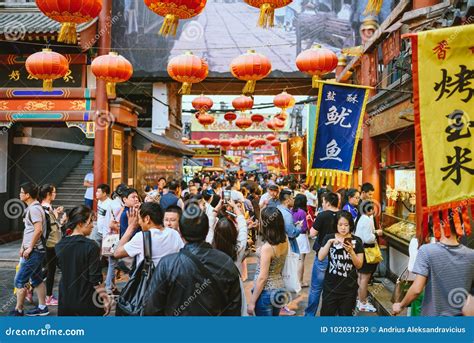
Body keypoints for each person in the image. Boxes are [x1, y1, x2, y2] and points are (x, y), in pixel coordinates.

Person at [143, 207, 241, 316]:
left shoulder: (167, 264)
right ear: (207, 230)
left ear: (180, 231)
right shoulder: (226, 261)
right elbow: (234, 308)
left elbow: (151, 308)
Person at [392, 212, 474, 316]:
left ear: (439, 225)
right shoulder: (471, 255)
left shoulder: (426, 251)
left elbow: (417, 289)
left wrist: (400, 305)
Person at [55, 206, 111, 316]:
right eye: (90, 221)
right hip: (87, 302)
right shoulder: (91, 246)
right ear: (80, 223)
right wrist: (105, 299)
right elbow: (95, 280)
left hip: (65, 300)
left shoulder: (59, 245)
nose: (92, 225)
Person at [10, 182, 49, 316]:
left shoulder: (34, 209)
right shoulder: (32, 208)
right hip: (32, 250)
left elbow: (37, 230)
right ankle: (43, 307)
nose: (19, 194)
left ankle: (18, 310)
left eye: (21, 192)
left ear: (27, 195)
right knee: (37, 279)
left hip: (34, 251)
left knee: (20, 280)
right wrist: (23, 246)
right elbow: (28, 230)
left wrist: (30, 248)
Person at [319, 211, 364, 316]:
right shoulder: (329, 237)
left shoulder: (357, 241)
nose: (343, 228)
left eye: (346, 225)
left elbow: (359, 265)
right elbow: (320, 257)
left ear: (350, 225)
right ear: (336, 225)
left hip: (349, 289)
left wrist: (351, 251)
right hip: (330, 288)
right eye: (340, 225)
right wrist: (329, 242)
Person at [114, 202, 184, 267]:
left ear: (147, 219)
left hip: (152, 279)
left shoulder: (141, 237)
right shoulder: (174, 233)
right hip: (171, 277)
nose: (139, 222)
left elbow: (117, 253)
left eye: (139, 218)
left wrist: (131, 227)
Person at [247, 207, 288, 316]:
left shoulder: (267, 248)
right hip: (279, 288)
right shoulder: (285, 239)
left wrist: (251, 302)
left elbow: (263, 277)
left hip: (266, 292)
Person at [305, 192, 339, 316]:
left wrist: (311, 222)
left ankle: (309, 315)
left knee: (316, 287)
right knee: (333, 287)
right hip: (338, 256)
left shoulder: (322, 215)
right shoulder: (343, 215)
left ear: (328, 203)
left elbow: (312, 234)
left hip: (323, 255)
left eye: (323, 202)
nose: (322, 204)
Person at [354, 200, 383, 312]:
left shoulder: (360, 218)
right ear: (370, 210)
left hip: (360, 250)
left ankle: (359, 299)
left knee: (360, 277)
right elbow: (369, 238)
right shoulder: (367, 220)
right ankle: (363, 302)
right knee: (365, 278)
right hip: (367, 252)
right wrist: (377, 233)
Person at [39, 184, 64, 307]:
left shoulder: (47, 208)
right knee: (51, 270)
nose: (55, 194)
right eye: (54, 192)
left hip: (52, 243)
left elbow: (52, 225)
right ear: (48, 194)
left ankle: (30, 287)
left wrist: (57, 216)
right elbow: (47, 229)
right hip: (50, 244)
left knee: (50, 269)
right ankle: (48, 297)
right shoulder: (44, 209)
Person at [95, 184, 120, 294]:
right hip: (99, 232)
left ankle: (109, 287)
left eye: (98, 191)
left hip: (109, 236)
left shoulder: (110, 204)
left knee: (111, 261)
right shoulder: (100, 202)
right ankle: (111, 286)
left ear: (105, 193)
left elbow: (112, 223)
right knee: (104, 260)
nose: (96, 193)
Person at [292, 194, 310, 287]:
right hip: (301, 237)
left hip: (294, 236)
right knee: (301, 260)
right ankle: (300, 281)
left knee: (295, 260)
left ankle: (294, 280)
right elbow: (304, 228)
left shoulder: (291, 210)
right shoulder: (302, 212)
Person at [277, 189, 301, 254]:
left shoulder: (277, 209)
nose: (294, 200)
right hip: (288, 247)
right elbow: (292, 234)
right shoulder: (287, 214)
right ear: (288, 200)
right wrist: (299, 227)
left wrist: (293, 225)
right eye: (293, 198)